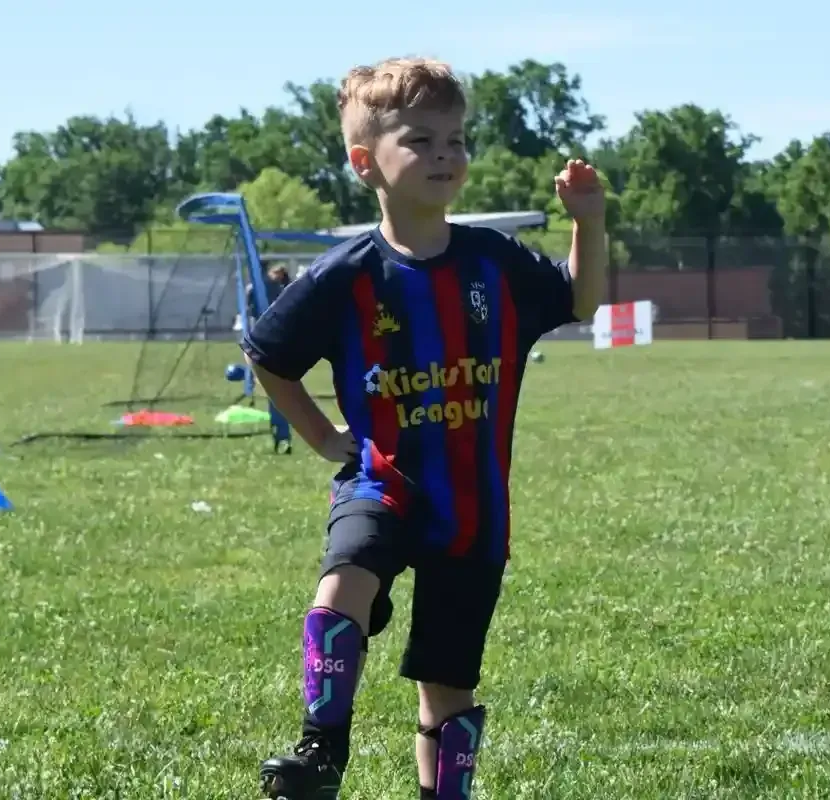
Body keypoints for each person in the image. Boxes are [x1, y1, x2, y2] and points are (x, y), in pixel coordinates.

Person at [244, 57, 608, 800]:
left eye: (456, 140)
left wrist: (589, 222)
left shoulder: (493, 263)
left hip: (474, 505)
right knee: (341, 584)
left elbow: (581, 301)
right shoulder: (343, 276)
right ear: (364, 163)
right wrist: (320, 436)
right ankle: (322, 750)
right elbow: (269, 356)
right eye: (420, 140)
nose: (445, 155)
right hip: (381, 481)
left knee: (446, 689)